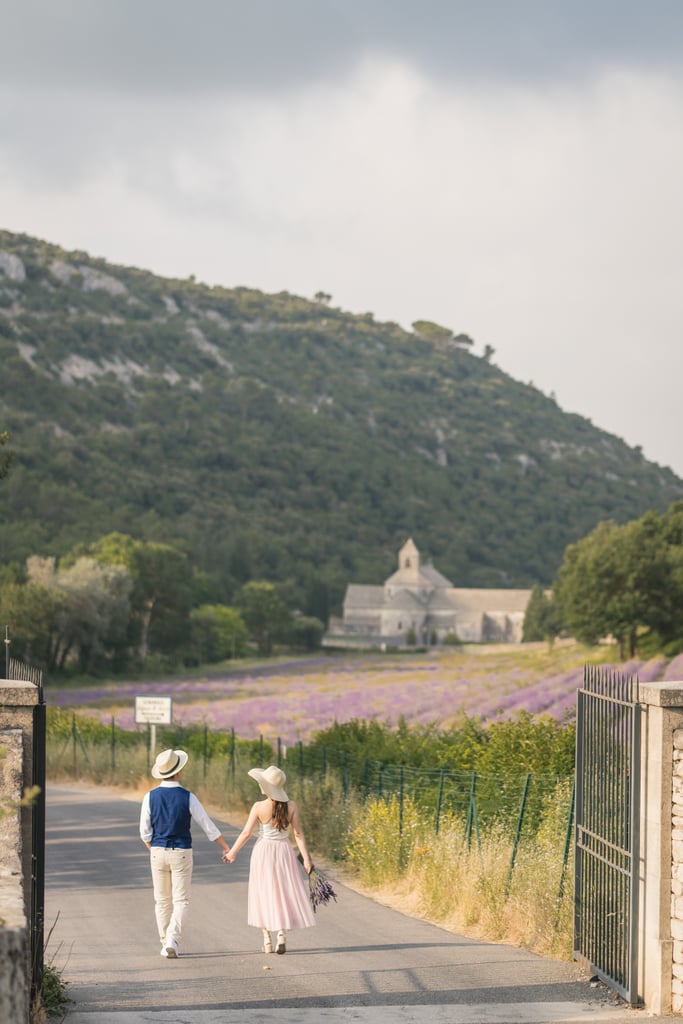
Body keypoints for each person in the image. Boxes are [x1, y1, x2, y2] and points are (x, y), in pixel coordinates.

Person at [139, 747, 230, 958]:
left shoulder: (149, 797)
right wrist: (225, 847)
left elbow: (145, 832)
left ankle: (165, 941)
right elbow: (207, 826)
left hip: (158, 851)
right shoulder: (188, 797)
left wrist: (154, 850)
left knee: (161, 901)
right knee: (181, 901)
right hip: (181, 852)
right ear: (178, 772)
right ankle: (172, 939)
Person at [224, 764, 315, 954]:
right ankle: (281, 933)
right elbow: (298, 834)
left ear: (266, 787)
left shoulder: (258, 807)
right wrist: (306, 859)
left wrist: (232, 852)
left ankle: (266, 939)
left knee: (262, 892)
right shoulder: (291, 806)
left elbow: (246, 833)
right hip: (283, 851)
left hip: (263, 851)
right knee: (282, 892)